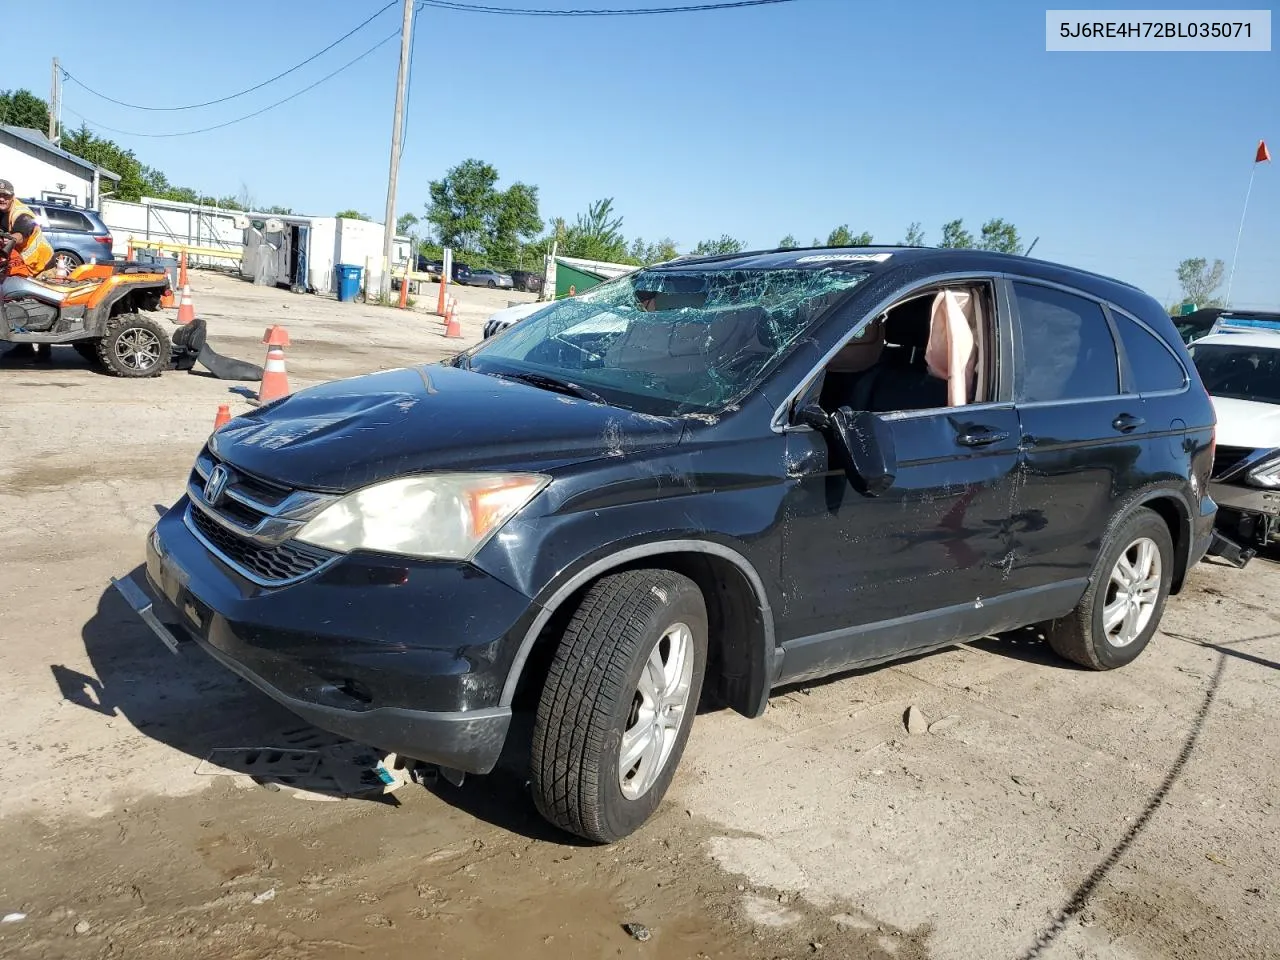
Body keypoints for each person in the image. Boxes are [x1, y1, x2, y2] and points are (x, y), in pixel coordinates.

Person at [0, 180, 54, 278]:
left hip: (43, 267)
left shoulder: (22, 213)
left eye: (6, 195)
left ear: (13, 196)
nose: (1, 199)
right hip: (24, 265)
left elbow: (20, 235)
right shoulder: (2, 211)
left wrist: (11, 239)